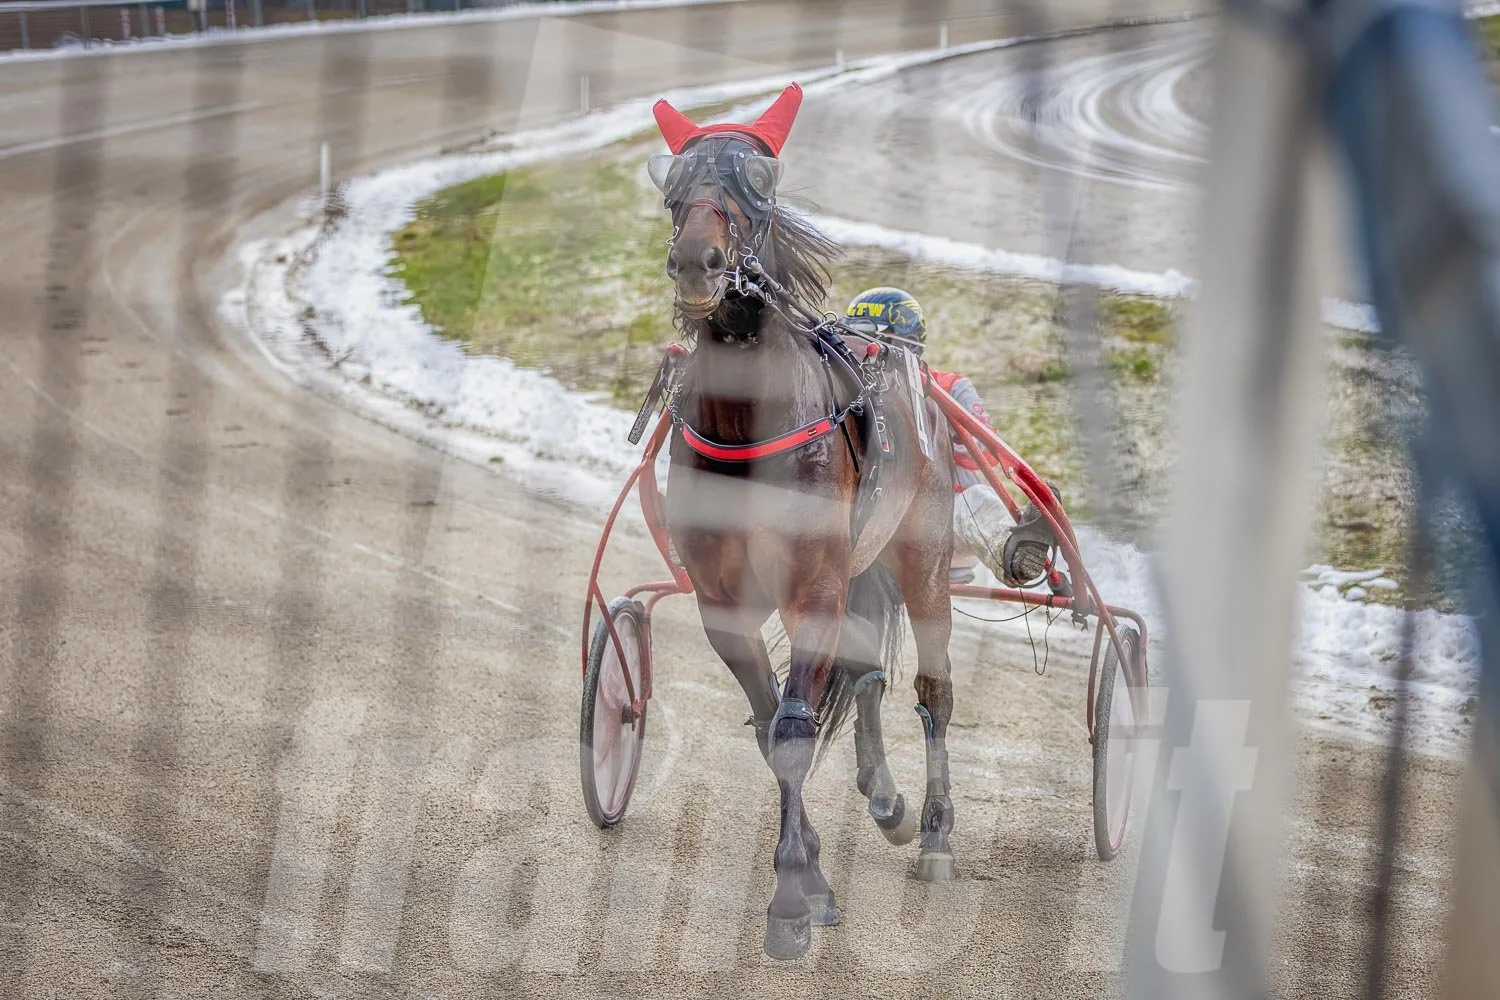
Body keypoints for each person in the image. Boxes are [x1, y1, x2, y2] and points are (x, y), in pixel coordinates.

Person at [844, 287, 1058, 586]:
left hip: (943, 514)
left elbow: (979, 453)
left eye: (873, 337)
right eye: (854, 335)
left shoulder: (948, 386)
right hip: (872, 515)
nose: (862, 347)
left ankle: (1016, 554)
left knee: (979, 500)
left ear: (905, 342)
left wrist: (933, 425)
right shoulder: (848, 386)